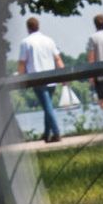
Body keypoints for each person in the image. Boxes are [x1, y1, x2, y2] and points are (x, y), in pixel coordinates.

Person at [15, 15, 65, 143]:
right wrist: (64, 75)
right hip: (51, 77)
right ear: (38, 26)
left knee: (47, 107)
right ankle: (47, 134)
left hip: (37, 78)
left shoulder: (26, 42)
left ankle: (56, 132)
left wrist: (21, 78)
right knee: (47, 105)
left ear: (28, 28)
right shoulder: (49, 40)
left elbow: (22, 63)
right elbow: (57, 58)